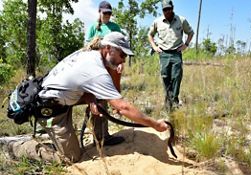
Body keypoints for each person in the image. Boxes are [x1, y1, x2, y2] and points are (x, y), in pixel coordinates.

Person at [9, 32, 169, 163]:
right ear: (108, 48)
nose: (123, 60)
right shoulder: (96, 69)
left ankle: (101, 139)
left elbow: (80, 83)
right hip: (50, 108)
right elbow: (123, 107)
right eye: (122, 54)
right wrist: (154, 124)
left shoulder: (90, 54)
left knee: (101, 98)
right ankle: (17, 147)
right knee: (70, 157)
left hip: (63, 98)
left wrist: (91, 99)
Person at [86, 1, 124, 146]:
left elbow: (120, 47)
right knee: (95, 99)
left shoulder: (115, 27)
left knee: (107, 98)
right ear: (99, 12)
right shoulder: (93, 28)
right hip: (95, 68)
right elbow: (87, 47)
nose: (107, 15)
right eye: (105, 13)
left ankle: (104, 135)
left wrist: (120, 63)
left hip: (110, 68)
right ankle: (98, 136)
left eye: (109, 13)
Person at [148, 0, 194, 110]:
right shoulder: (157, 22)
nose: (167, 11)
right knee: (165, 78)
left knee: (176, 77)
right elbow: (150, 34)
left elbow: (190, 32)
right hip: (163, 54)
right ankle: (168, 101)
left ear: (173, 8)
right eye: (165, 9)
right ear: (162, 10)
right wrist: (154, 47)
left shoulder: (181, 20)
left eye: (169, 9)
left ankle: (174, 100)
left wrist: (186, 44)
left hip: (176, 53)